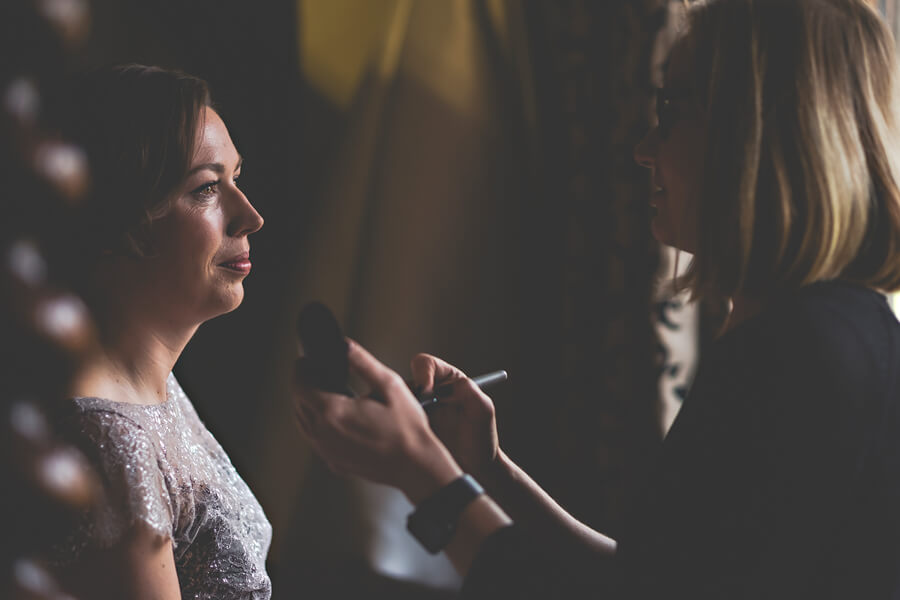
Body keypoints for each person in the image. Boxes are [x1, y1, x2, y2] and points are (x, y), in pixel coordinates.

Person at [292, 0, 900, 597]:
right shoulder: (829, 332)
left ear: (756, 130)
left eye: (671, 110)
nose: (644, 149)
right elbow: (650, 578)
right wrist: (487, 470)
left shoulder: (798, 358)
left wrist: (422, 474)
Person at [49, 65, 270, 599]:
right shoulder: (112, 442)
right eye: (206, 189)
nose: (250, 217)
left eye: (236, 179)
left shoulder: (156, 388)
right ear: (120, 222)